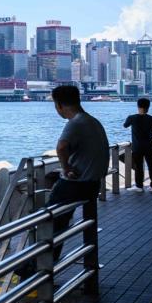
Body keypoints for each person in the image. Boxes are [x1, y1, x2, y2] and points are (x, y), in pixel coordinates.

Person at [47, 84, 109, 246]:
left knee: (46, 221)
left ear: (59, 105)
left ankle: (33, 268)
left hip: (75, 185)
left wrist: (66, 168)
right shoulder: (93, 121)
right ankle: (45, 265)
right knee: (59, 225)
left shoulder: (76, 122)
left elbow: (61, 147)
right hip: (92, 184)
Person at [124, 97, 152, 193]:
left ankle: (139, 186)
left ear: (138, 106)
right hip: (149, 146)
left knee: (138, 167)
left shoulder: (132, 117)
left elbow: (125, 125)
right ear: (148, 107)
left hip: (137, 147)